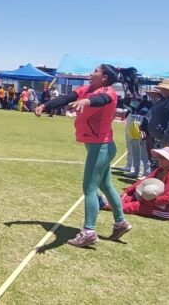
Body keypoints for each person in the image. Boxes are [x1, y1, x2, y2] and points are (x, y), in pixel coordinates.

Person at [36, 64, 140, 248]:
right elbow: (67, 97)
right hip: (100, 146)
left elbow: (100, 100)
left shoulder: (108, 92)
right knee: (106, 185)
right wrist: (45, 105)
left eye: (96, 72)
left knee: (90, 189)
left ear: (105, 77)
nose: (91, 74)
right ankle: (121, 222)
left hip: (101, 147)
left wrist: (86, 102)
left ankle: (89, 232)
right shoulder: (87, 89)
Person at [104, 147, 169, 221]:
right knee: (129, 198)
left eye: (163, 158)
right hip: (158, 202)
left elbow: (167, 198)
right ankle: (105, 202)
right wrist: (127, 191)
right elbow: (143, 182)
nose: (159, 159)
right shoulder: (160, 170)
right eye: (160, 157)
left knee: (139, 206)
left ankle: (107, 206)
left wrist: (145, 200)